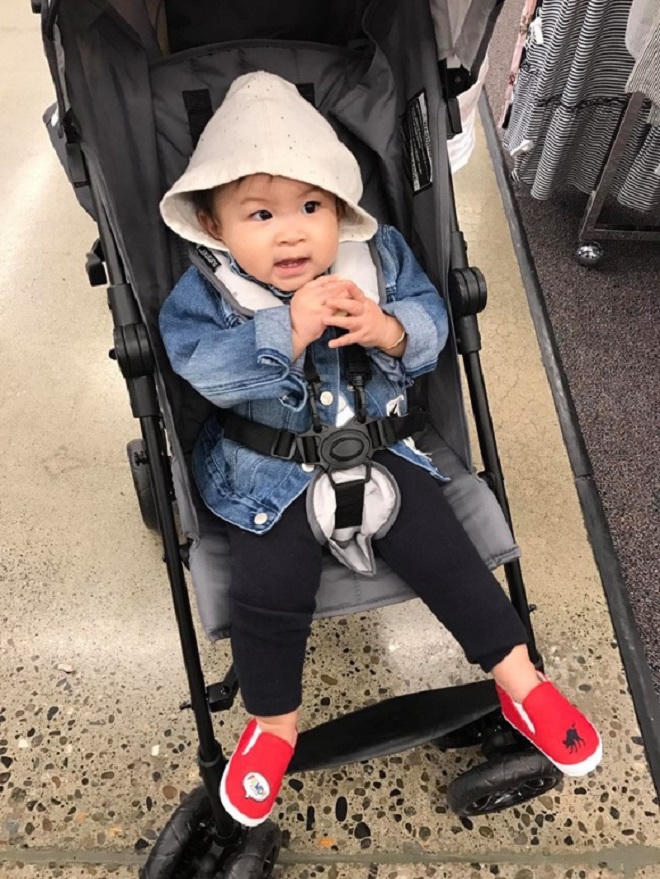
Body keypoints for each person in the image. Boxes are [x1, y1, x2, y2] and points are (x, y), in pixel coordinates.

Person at [158, 71, 601, 827]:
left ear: (340, 209)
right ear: (214, 225)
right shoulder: (208, 289)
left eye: (312, 207)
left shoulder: (377, 256)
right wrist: (283, 331)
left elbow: (430, 318)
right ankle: (273, 722)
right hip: (266, 475)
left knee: (449, 553)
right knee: (268, 587)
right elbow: (197, 366)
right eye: (260, 214)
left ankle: (520, 678)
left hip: (385, 448)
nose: (291, 232)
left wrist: (392, 331)